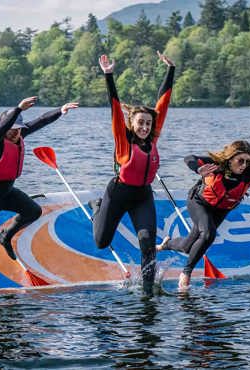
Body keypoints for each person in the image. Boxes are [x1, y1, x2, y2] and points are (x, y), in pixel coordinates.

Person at [156, 140, 250, 290]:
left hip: (222, 209)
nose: (244, 165)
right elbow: (189, 158)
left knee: (188, 246)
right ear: (231, 158)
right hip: (199, 203)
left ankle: (166, 244)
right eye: (240, 161)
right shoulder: (216, 164)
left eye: (247, 161)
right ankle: (186, 274)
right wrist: (198, 168)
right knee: (208, 234)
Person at [0, 96, 78, 289]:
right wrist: (18, 109)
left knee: (33, 211)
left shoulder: (18, 135)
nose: (17, 134)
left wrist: (60, 110)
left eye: (19, 130)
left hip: (6, 192)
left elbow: (41, 121)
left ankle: (6, 236)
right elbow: (1, 129)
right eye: (12, 130)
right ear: (3, 128)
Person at [89, 51, 175, 294]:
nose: (145, 127)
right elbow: (114, 106)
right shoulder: (123, 140)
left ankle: (148, 290)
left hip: (142, 196)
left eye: (148, 123)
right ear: (132, 123)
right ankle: (97, 208)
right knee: (101, 242)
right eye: (140, 123)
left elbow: (163, 102)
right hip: (118, 193)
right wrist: (109, 75)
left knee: (147, 241)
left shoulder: (154, 137)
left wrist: (171, 70)